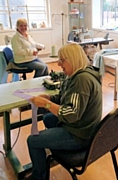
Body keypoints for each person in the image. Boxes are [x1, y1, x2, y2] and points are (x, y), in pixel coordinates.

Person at [26, 43, 102, 180]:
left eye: (62, 60)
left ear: (72, 59)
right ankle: (52, 148)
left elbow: (71, 114)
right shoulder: (75, 75)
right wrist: (50, 98)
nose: (59, 64)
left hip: (80, 135)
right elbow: (64, 98)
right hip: (82, 125)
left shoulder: (82, 80)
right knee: (48, 118)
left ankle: (39, 177)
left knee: (32, 140)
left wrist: (47, 104)